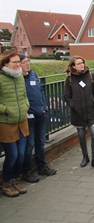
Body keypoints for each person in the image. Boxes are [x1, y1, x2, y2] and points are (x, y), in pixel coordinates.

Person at [20, 54, 56, 183]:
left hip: (40, 113)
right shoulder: (18, 79)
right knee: (29, 145)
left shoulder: (33, 75)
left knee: (40, 142)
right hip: (28, 116)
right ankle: (27, 171)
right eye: (24, 62)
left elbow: (40, 91)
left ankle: (42, 166)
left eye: (28, 61)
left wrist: (44, 106)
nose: (27, 64)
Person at [0, 51, 30, 197]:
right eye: (14, 62)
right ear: (6, 63)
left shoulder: (19, 77)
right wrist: (6, 110)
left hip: (22, 121)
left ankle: (15, 181)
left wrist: (26, 105)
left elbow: (24, 95)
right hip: (7, 123)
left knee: (21, 155)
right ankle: (6, 183)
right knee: (12, 155)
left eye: (19, 61)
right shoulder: (0, 78)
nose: (18, 64)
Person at [64, 56, 94, 171]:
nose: (82, 65)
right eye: (79, 63)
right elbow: (66, 96)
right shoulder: (69, 80)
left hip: (90, 111)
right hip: (77, 113)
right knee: (81, 135)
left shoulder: (91, 76)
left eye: (83, 62)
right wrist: (73, 105)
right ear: (73, 66)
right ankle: (85, 156)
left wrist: (93, 102)